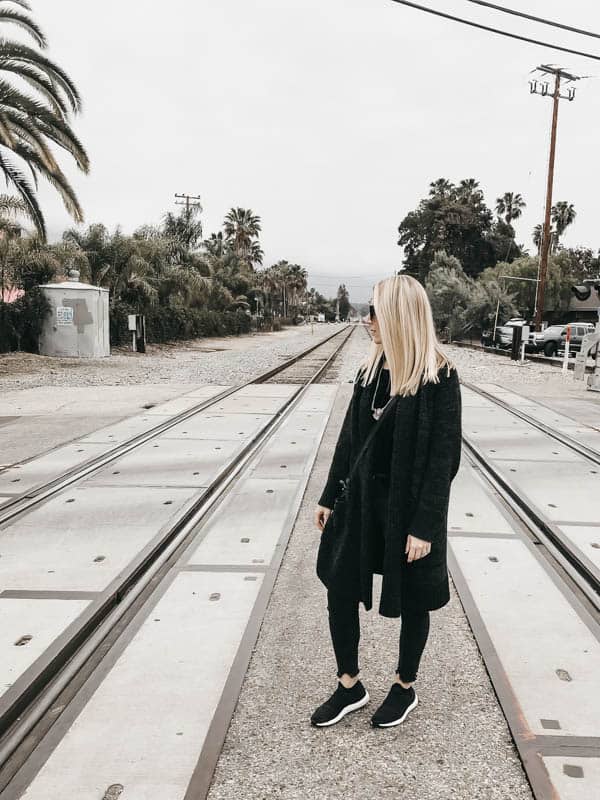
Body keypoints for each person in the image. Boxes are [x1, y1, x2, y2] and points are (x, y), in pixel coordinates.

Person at [311, 274, 462, 729]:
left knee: (414, 596)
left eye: (375, 312)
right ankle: (349, 684)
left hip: (409, 511)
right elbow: (348, 439)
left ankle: (404, 686)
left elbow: (443, 459)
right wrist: (329, 493)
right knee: (339, 583)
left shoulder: (440, 376)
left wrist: (425, 525)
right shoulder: (369, 372)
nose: (367, 321)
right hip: (360, 504)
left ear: (398, 316)